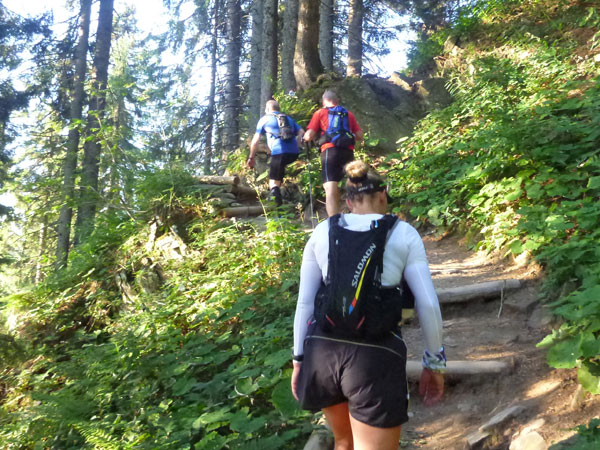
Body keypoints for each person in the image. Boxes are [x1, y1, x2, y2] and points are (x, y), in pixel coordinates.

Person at [291, 161, 446, 450]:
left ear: (348, 200)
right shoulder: (404, 234)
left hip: (322, 352)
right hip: (375, 356)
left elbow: (305, 302)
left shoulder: (322, 231)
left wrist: (299, 359)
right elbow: (428, 304)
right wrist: (434, 363)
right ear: (384, 194)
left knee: (343, 443)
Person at [303, 90, 363, 217]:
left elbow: (309, 135)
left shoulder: (320, 113)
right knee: (353, 183)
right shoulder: (348, 114)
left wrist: (305, 138)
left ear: (324, 101)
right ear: (337, 101)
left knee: (330, 187)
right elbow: (359, 136)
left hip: (330, 151)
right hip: (348, 151)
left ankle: (334, 220)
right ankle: (357, 214)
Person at [247, 100, 304, 206]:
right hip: (294, 153)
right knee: (279, 173)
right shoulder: (288, 119)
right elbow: (301, 132)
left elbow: (255, 141)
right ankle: (280, 199)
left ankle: (277, 207)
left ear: (267, 109)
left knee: (273, 182)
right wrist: (299, 144)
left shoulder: (265, 119)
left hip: (279, 152)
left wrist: (251, 157)